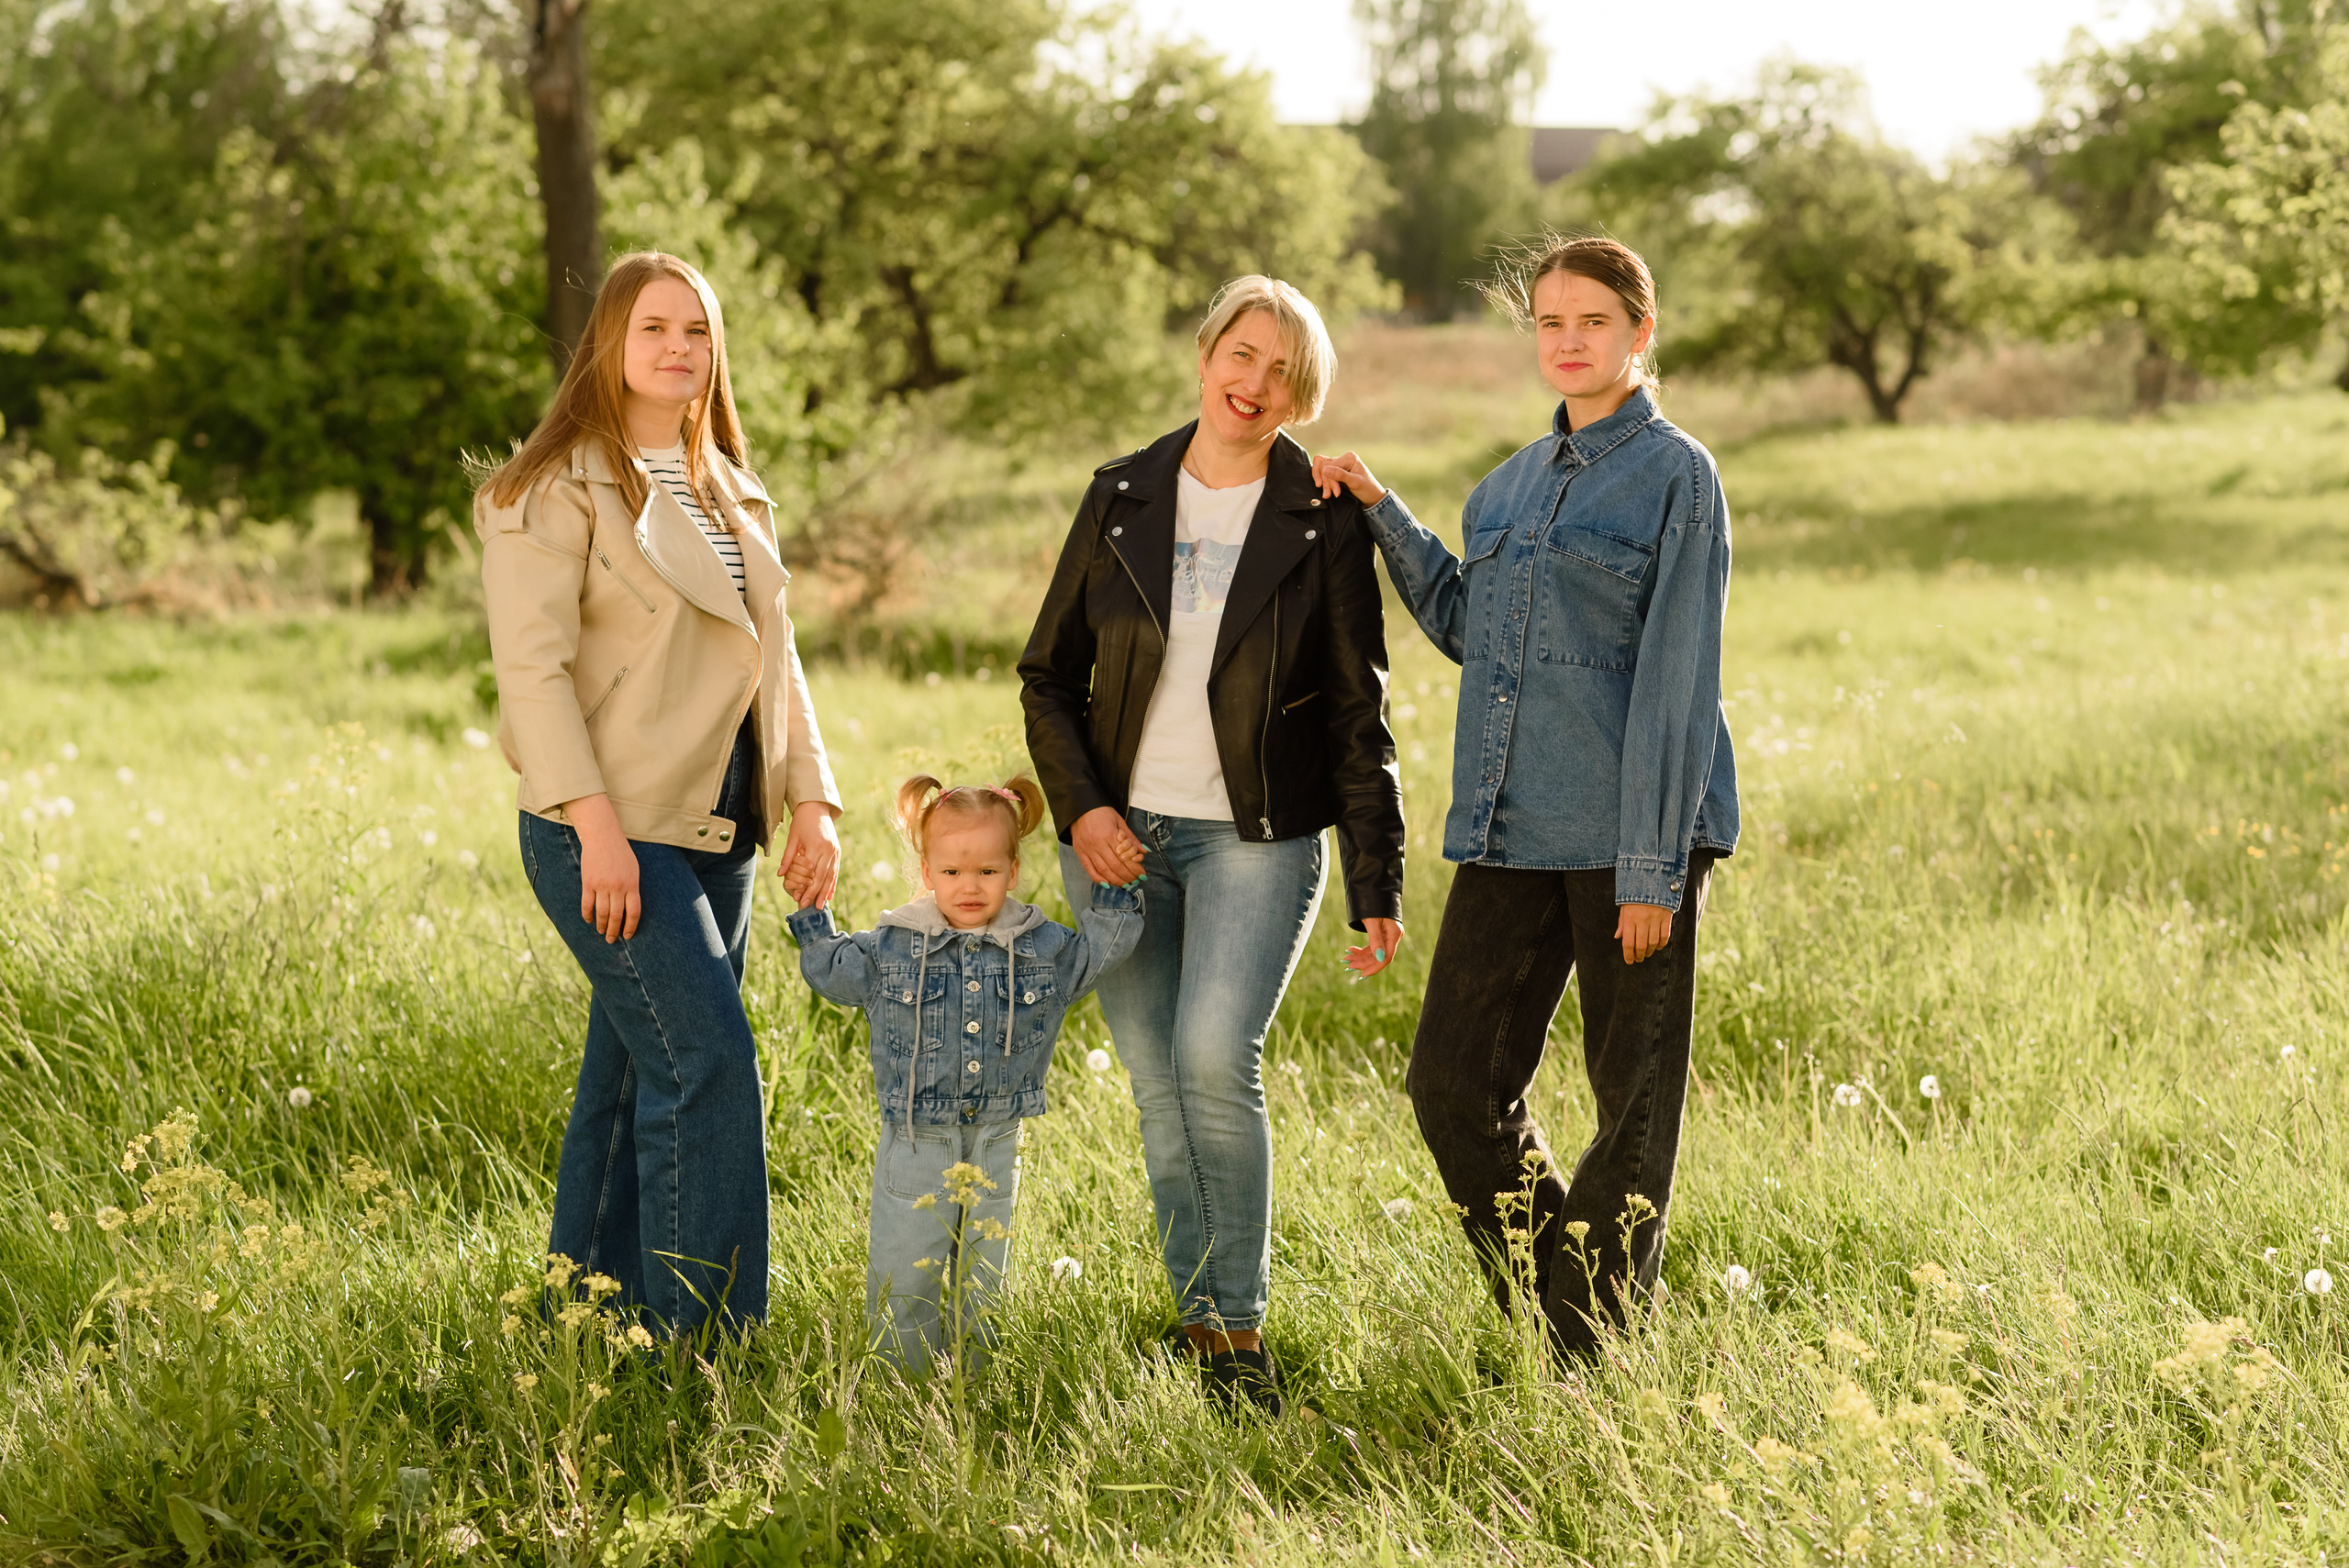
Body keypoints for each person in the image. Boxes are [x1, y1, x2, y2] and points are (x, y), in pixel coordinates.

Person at [1311, 235, 1740, 1360]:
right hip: (1510, 828)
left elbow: (1677, 680)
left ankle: (1584, 1361)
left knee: (1629, 1106)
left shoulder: (1677, 475)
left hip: (1630, 833)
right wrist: (1381, 514)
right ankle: (1579, 1318)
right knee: (1452, 1083)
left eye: (1592, 321)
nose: (1568, 341)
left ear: (1640, 333)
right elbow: (1467, 627)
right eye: (1550, 322)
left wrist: (1652, 868)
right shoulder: (1502, 486)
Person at [1019, 274, 1407, 1416]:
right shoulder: (1122, 492)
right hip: (1116, 837)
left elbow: (1356, 709)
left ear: (1302, 394)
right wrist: (1085, 808)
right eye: (1241, 354)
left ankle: (1239, 1331)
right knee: (1153, 1082)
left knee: (1209, 1063)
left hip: (1257, 838)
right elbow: (1049, 672)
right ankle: (1195, 1316)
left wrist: (1375, 879)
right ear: (1204, 355)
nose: (1254, 383)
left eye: (1282, 371)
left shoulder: (1323, 516)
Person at [474, 251, 843, 1339]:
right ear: (609, 345)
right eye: (653, 329)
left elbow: (774, 657)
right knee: (710, 1061)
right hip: (608, 829)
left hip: (720, 821)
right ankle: (705, 1343)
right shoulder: (549, 488)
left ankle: (578, 1317)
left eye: (696, 330)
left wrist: (812, 798)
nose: (677, 347)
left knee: (640, 1075)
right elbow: (532, 675)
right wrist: (595, 830)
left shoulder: (730, 481)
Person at [788, 775, 1142, 1373]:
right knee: (907, 1270)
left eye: (986, 870)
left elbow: (1095, 959)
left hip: (999, 1138)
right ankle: (901, 1387)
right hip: (917, 1136)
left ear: (1013, 869)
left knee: (985, 1274)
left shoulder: (1040, 946)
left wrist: (1114, 889)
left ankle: (974, 1386)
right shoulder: (895, 946)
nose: (969, 885)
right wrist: (811, 913)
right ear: (927, 871)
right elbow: (834, 974)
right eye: (952, 872)